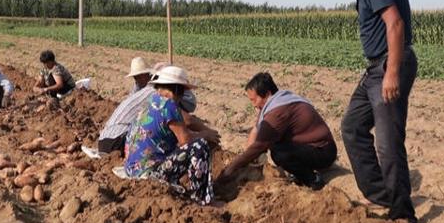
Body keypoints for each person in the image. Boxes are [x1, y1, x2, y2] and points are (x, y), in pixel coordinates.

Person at [323, 0, 419, 223]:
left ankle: (402, 213)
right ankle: (380, 193)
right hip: (375, 69)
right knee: (352, 126)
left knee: (388, 143)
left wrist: (391, 72)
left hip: (389, 66)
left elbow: (395, 23)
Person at [217, 72, 337, 190]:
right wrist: (248, 155)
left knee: (280, 153)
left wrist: (231, 169)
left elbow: (260, 145)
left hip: (323, 151)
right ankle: (300, 173)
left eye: (254, 100)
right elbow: (256, 129)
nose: (253, 105)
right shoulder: (276, 101)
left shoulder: (278, 111)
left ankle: (313, 180)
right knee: (275, 144)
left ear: (267, 94)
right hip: (308, 147)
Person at [123, 66, 219, 205]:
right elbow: (185, 140)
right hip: (149, 173)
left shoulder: (153, 100)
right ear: (177, 90)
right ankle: (202, 199)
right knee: (199, 145)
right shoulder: (169, 105)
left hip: (132, 169)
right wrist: (204, 134)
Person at [98, 61, 203, 156]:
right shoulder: (159, 96)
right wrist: (205, 132)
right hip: (115, 140)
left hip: (107, 140)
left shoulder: (148, 92)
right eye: (181, 90)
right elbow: (187, 121)